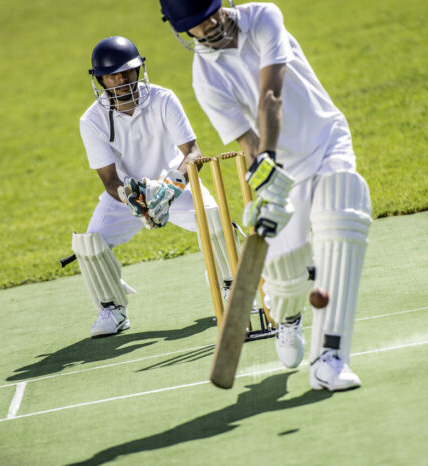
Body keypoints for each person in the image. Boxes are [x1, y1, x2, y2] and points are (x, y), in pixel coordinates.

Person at [159, 1, 372, 391]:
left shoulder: (263, 18)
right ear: (181, 30)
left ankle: (329, 360)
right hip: (282, 168)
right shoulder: (205, 79)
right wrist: (266, 176)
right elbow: (247, 140)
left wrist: (268, 158)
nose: (206, 29)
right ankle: (287, 319)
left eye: (209, 16)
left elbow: (270, 96)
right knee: (287, 276)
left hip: (326, 141)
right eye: (194, 26)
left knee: (342, 216)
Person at [74, 35, 235, 338]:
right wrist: (133, 198)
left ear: (138, 69)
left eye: (127, 71)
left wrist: (173, 185)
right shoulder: (91, 120)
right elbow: (109, 180)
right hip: (127, 195)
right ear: (101, 80)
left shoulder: (163, 98)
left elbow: (192, 153)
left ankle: (231, 288)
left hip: (173, 184)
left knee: (215, 219)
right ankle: (113, 309)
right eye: (112, 75)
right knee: (90, 243)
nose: (121, 79)